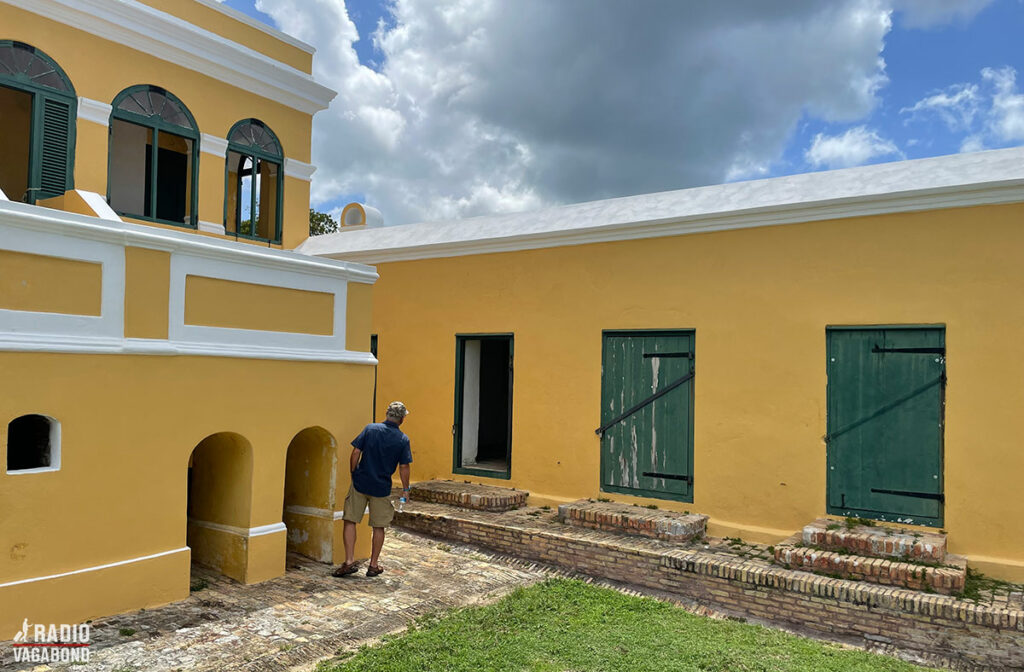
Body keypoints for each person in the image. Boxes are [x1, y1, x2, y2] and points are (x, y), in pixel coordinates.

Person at [332, 401, 412, 577]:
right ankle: (373, 565)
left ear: (387, 414)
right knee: (379, 526)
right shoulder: (402, 439)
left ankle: (349, 561)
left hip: (361, 482)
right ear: (402, 419)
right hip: (381, 487)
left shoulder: (370, 429)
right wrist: (405, 489)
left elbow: (355, 452)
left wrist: (354, 472)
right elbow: (404, 466)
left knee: (350, 520)